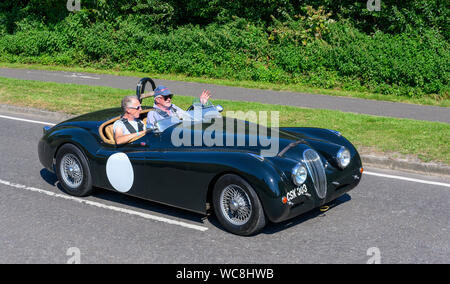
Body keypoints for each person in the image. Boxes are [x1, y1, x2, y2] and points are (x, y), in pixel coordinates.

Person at [146, 85, 211, 129]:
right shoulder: (152, 113)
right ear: (157, 100)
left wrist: (200, 104)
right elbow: (151, 133)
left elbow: (188, 116)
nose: (169, 99)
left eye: (170, 96)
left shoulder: (173, 107)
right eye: (166, 97)